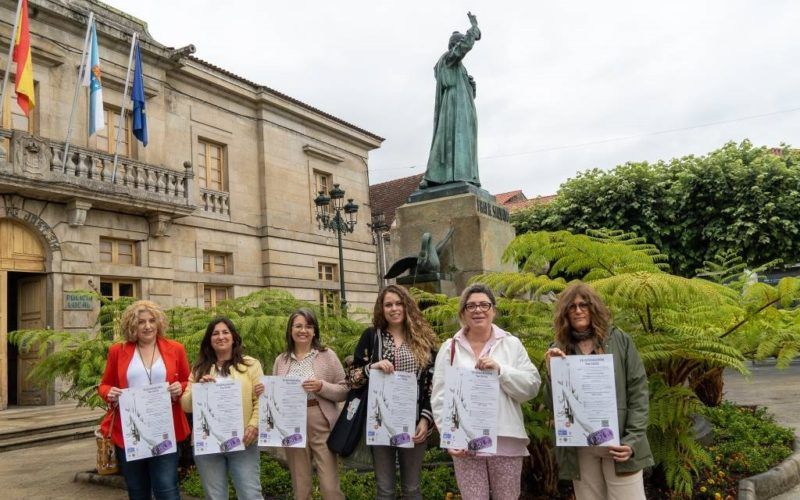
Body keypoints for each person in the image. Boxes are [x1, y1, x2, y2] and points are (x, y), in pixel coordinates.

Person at [432, 283, 541, 499]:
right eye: (471, 306)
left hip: (506, 439)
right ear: (463, 313)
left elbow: (531, 386)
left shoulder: (511, 344)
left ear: (493, 310)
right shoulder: (449, 348)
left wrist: (501, 370)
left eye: (484, 304)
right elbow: (440, 397)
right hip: (465, 441)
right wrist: (449, 435)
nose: (478, 310)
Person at [544, 282, 653, 500]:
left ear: (594, 308)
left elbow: (638, 392)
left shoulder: (619, 340)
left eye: (584, 305)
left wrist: (631, 441)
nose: (578, 310)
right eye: (571, 306)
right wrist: (551, 372)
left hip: (618, 442)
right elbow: (552, 404)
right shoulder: (559, 347)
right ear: (565, 313)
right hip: (581, 446)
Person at [351, 284, 438, 500]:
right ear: (381, 308)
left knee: (412, 489)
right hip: (380, 423)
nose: (394, 308)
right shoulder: (371, 337)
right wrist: (372, 367)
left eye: (399, 303)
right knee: (385, 490)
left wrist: (426, 420)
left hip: (415, 422)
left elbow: (433, 383)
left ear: (407, 306)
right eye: (388, 304)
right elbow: (351, 379)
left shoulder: (423, 339)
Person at [98, 300, 190, 500]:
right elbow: (104, 385)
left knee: (166, 488)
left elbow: (187, 381)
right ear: (132, 325)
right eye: (141, 322)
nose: (147, 326)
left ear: (159, 323)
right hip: (131, 432)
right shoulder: (118, 351)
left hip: (165, 429)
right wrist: (109, 392)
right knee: (137, 490)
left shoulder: (176, 348)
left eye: (151, 321)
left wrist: (179, 387)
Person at [262, 308, 348, 500]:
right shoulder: (281, 360)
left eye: (308, 326)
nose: (303, 330)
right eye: (298, 326)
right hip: (291, 423)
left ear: (315, 331)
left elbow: (344, 390)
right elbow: (275, 394)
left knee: (330, 486)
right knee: (300, 487)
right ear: (290, 330)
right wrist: (263, 391)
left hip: (320, 418)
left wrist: (321, 386)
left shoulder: (327, 355)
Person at [180, 317, 263, 500]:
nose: (221, 337)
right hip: (207, 444)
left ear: (233, 337)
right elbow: (185, 406)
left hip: (243, 440)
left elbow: (260, 400)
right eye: (215, 333)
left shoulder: (250, 365)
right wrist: (199, 389)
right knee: (215, 496)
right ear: (209, 340)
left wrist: (254, 425)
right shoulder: (199, 368)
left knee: (250, 494)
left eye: (225, 332)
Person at [421, 11, 482, 189]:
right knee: (450, 139)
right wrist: (474, 28)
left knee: (463, 142)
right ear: (454, 46)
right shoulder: (447, 59)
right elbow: (464, 47)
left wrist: (471, 87)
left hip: (463, 109)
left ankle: (463, 174)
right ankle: (444, 176)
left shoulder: (459, 67)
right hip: (453, 107)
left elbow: (468, 94)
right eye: (460, 42)